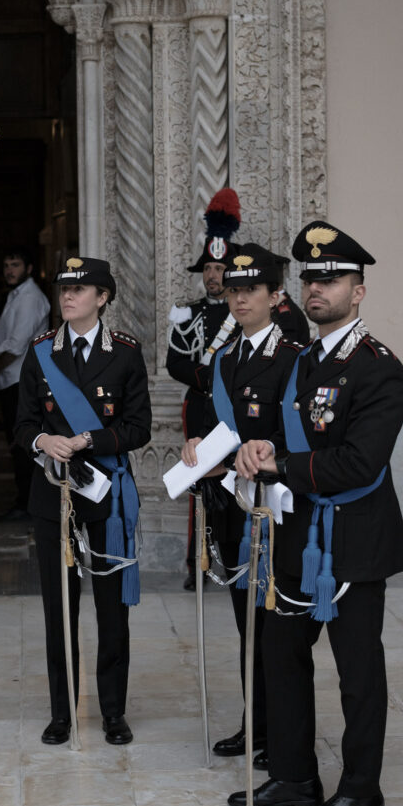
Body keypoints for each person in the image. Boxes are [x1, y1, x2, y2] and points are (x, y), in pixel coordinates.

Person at [231, 221, 403, 806]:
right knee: (281, 655)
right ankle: (294, 773)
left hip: (355, 538)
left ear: (357, 292)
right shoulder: (299, 361)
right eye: (310, 279)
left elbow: (360, 461)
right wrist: (256, 453)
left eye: (331, 279)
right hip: (297, 535)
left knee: (358, 671)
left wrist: (279, 461)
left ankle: (362, 792)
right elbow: (279, 436)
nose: (317, 288)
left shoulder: (379, 368)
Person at [15, 256, 151, 746]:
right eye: (63, 289)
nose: (67, 296)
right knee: (60, 607)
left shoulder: (127, 354)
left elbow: (138, 427)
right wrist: (42, 442)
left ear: (103, 297)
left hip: (107, 498)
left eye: (80, 289)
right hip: (53, 496)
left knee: (113, 610)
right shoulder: (40, 352)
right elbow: (23, 423)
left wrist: (90, 440)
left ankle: (113, 711)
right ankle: (62, 712)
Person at [181, 244, 302, 767]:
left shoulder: (295, 356)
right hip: (236, 505)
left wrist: (242, 459)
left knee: (276, 628)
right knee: (245, 622)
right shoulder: (226, 358)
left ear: (276, 297)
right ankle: (258, 723)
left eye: (250, 289)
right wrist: (197, 450)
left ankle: (282, 735)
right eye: (233, 289)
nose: (239, 298)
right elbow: (223, 431)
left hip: (276, 510)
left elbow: (292, 436)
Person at [167, 188, 244, 590]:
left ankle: (236, 558)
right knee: (202, 483)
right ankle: (198, 562)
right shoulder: (189, 314)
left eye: (220, 268)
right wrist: (209, 381)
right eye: (208, 269)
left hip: (239, 409)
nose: (213, 276)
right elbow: (175, 362)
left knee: (237, 477)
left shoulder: (246, 312)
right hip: (201, 407)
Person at [0, 247, 50, 521]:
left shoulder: (30, 298)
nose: (9, 270)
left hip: (20, 381)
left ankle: (28, 504)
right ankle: (24, 500)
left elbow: (16, 345)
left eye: (14, 263)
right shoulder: (16, 295)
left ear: (28, 268)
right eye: (5, 264)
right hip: (9, 380)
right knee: (17, 445)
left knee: (24, 446)